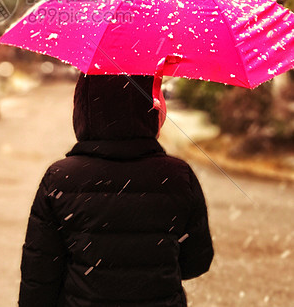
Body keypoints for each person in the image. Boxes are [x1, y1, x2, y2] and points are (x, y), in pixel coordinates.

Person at [18, 73, 214, 306]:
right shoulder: (179, 177)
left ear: (84, 109)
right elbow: (196, 261)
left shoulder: (61, 178)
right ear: (150, 109)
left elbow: (39, 277)